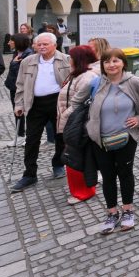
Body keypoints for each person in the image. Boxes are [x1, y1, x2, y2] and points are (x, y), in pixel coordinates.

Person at [72, 47, 139, 234]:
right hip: (100, 139)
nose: (111, 65)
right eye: (107, 61)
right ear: (102, 65)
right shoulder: (95, 82)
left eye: (116, 61)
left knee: (125, 173)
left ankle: (128, 210)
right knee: (108, 176)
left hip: (126, 137)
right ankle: (111, 213)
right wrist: (87, 123)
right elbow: (76, 101)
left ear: (123, 63)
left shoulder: (133, 81)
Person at [12, 33, 71, 192]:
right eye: (39, 44)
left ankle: (58, 164)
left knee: (60, 136)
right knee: (32, 139)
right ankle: (30, 174)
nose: (42, 47)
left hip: (58, 102)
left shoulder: (66, 60)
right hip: (35, 103)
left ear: (54, 45)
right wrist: (19, 104)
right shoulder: (27, 61)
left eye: (45, 44)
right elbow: (20, 84)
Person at [56, 45, 99, 205]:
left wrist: (65, 115)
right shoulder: (77, 74)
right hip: (71, 122)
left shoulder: (86, 77)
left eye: (71, 57)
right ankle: (81, 190)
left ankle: (83, 192)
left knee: (76, 159)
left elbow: (80, 104)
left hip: (75, 124)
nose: (69, 59)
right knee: (74, 158)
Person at [5, 33, 34, 138]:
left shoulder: (28, 55)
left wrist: (13, 64)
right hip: (14, 87)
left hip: (22, 88)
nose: (8, 43)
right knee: (17, 111)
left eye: (11, 41)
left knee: (26, 111)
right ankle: (20, 134)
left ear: (17, 42)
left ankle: (26, 135)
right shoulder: (17, 52)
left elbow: (22, 73)